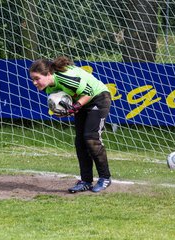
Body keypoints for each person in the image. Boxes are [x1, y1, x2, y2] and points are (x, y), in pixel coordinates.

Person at [29, 56, 112, 193]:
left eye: (37, 78)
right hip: (82, 101)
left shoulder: (64, 77)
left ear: (49, 74)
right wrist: (65, 109)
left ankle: (105, 178)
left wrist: (75, 107)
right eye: (32, 79)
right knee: (80, 142)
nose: (34, 83)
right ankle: (86, 181)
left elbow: (89, 92)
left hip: (98, 98)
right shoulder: (48, 87)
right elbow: (64, 100)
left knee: (91, 138)